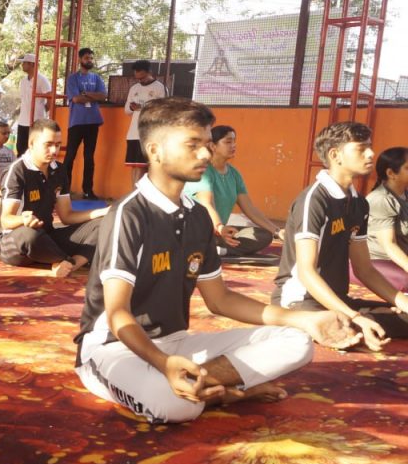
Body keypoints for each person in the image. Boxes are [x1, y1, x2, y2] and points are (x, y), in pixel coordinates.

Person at [74, 98, 358, 424]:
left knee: (297, 341)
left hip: (175, 342)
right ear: (155, 151)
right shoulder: (129, 214)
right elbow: (117, 314)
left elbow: (220, 299)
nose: (205, 155)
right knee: (175, 407)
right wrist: (162, 363)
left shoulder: (197, 216)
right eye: (192, 145)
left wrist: (305, 320)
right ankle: (220, 391)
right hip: (114, 347)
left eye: (207, 144)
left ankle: (199, 383)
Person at [273, 122, 408, 346]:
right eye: (361, 148)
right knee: (357, 327)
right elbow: (306, 272)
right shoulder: (314, 200)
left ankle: (353, 321)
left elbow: (364, 269)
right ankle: (337, 324)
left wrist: (402, 302)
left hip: (336, 299)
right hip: (300, 301)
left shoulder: (359, 204)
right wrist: (355, 317)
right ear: (335, 155)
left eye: (370, 147)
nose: (371, 153)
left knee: (402, 316)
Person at [0, 118, 105, 277]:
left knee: (103, 224)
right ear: (31, 144)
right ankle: (66, 260)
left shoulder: (59, 170)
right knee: (30, 235)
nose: (54, 150)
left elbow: (66, 216)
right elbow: (6, 220)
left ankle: (69, 264)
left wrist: (101, 212)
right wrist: (23, 220)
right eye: (48, 144)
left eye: (58, 145)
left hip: (47, 238)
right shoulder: (17, 171)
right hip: (14, 241)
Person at [184, 125, 283, 258]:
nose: (233, 145)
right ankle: (213, 247)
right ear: (213, 146)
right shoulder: (204, 171)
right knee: (202, 236)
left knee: (263, 235)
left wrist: (277, 231)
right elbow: (207, 204)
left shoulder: (234, 174)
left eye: (234, 141)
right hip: (199, 230)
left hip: (219, 233)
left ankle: (221, 250)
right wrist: (219, 227)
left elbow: (250, 208)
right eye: (228, 142)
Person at [355, 147, 408, 291]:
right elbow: (389, 245)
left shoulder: (405, 194)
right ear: (391, 173)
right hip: (382, 262)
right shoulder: (381, 200)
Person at [63, 48, 107, 200]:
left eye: (91, 58)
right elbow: (76, 99)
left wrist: (85, 93)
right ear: (80, 59)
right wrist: (92, 96)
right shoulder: (73, 78)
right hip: (76, 122)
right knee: (70, 156)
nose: (90, 60)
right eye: (87, 58)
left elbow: (103, 96)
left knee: (89, 157)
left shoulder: (97, 78)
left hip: (93, 121)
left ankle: (88, 191)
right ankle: (65, 190)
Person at [123, 60, 167, 186]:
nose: (140, 80)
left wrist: (143, 107)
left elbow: (163, 111)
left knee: (147, 167)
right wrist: (132, 107)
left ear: (150, 72)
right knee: (135, 166)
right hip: (133, 133)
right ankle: (135, 194)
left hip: (150, 133)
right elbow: (127, 111)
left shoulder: (160, 88)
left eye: (142, 77)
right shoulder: (134, 88)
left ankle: (143, 195)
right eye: (137, 78)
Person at [16, 53, 51, 156]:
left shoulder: (42, 80)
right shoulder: (23, 81)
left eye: (25, 63)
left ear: (32, 64)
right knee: (21, 149)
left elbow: (50, 98)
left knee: (35, 149)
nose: (22, 65)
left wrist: (43, 111)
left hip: (37, 121)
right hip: (22, 121)